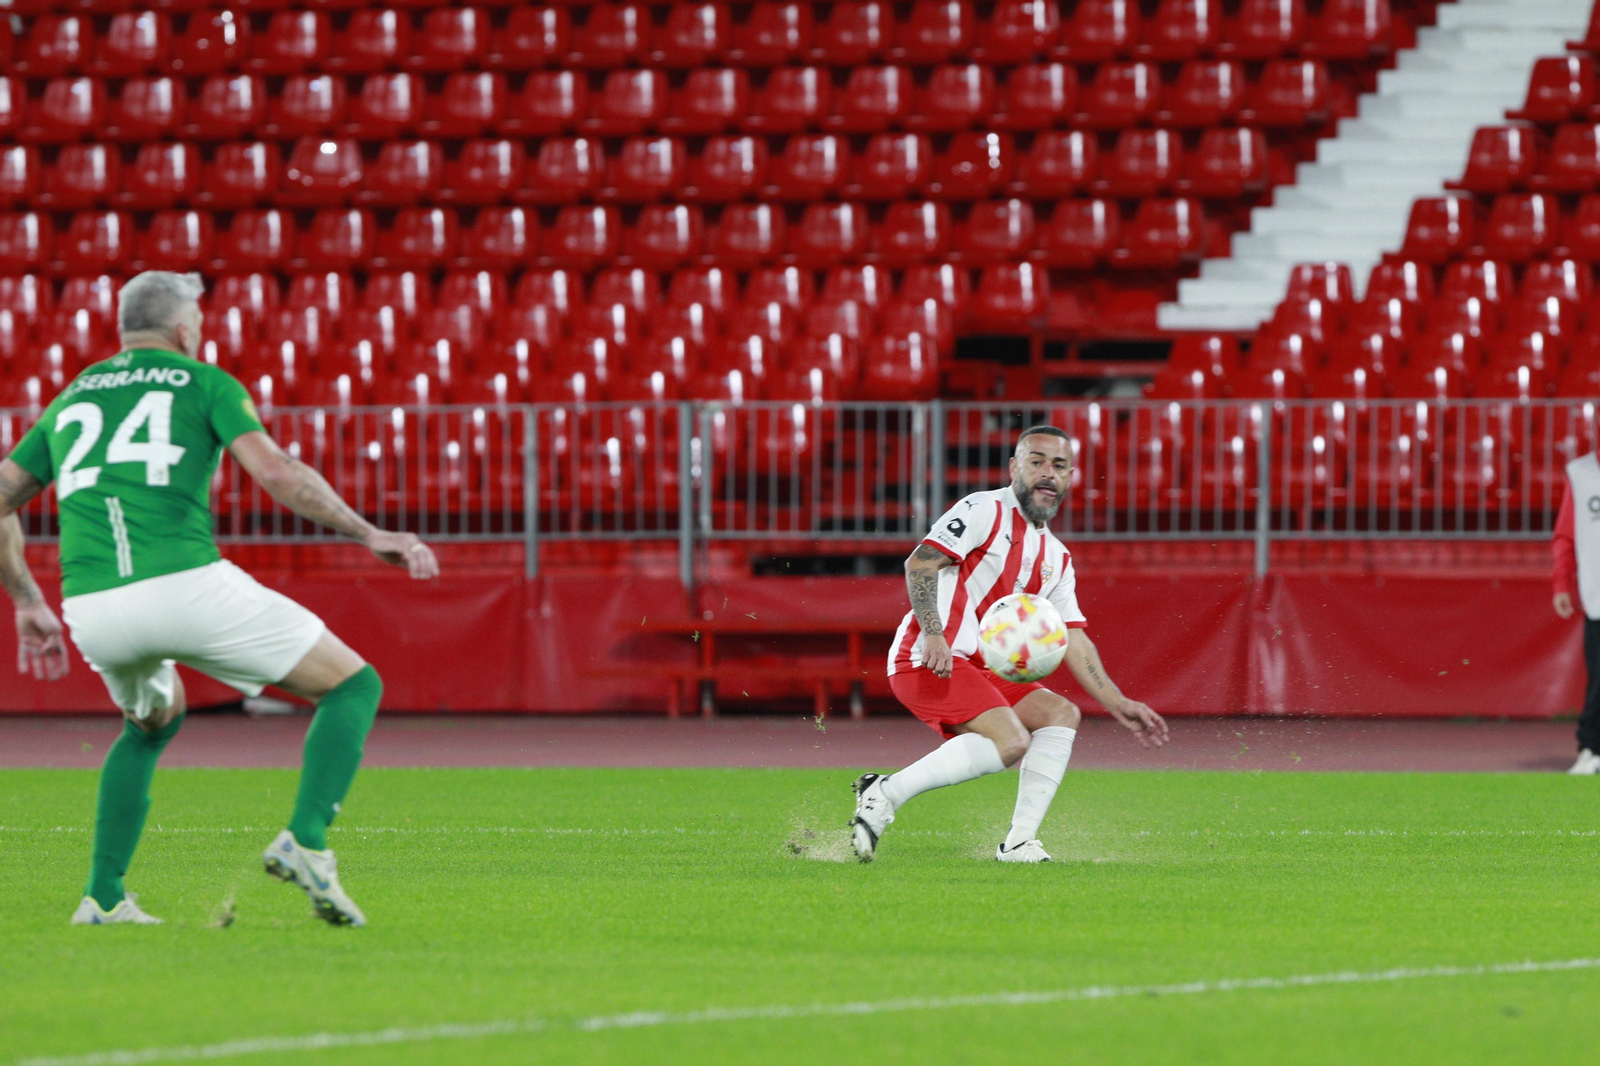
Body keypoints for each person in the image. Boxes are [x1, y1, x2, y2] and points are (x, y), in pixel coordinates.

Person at [0, 271, 440, 926]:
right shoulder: (204, 381)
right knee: (352, 687)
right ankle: (308, 841)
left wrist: (27, 599)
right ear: (186, 331)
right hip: (184, 583)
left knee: (151, 723)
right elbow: (278, 473)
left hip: (91, 605)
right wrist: (368, 532)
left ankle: (103, 897)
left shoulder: (71, 399)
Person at [850, 425, 1168, 863]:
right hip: (927, 658)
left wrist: (1117, 702)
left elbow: (1073, 636)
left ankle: (1019, 841)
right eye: (1036, 461)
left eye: (1058, 466)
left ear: (1070, 477)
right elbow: (919, 564)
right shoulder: (983, 509)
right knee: (1012, 742)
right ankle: (885, 794)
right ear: (1015, 467)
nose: (1047, 473)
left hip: (982, 671)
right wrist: (934, 632)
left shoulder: (1056, 557)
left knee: (1061, 714)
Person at [1554, 448, 1600, 774]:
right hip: (1599, 595)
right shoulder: (1582, 472)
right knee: (1599, 681)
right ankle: (1591, 750)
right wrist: (1561, 582)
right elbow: (1566, 535)